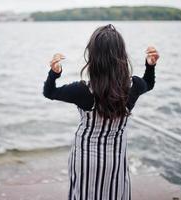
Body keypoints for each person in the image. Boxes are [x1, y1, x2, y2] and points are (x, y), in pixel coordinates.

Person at [43, 24, 159, 200]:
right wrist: (150, 66)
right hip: (116, 160)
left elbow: (49, 92)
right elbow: (148, 84)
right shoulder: (133, 86)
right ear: (121, 56)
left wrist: (54, 73)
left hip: (84, 160)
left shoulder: (82, 90)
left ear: (93, 57)